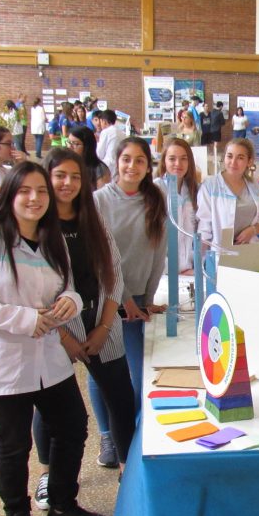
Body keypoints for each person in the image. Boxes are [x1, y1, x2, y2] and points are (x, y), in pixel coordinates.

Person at [0, 161, 108, 516]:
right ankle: (17, 513)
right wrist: (23, 320)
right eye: (25, 191)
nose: (35, 199)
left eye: (41, 192)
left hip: (45, 356)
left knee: (71, 425)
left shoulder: (52, 239)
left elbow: (67, 287)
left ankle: (63, 504)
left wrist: (69, 302)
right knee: (13, 441)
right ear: (10, 194)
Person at [31, 148, 135, 497]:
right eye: (60, 175)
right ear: (48, 177)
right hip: (54, 329)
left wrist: (105, 326)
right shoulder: (38, 227)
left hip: (101, 319)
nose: (68, 183)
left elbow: (113, 272)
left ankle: (127, 470)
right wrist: (64, 337)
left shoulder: (92, 219)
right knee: (49, 408)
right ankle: (48, 475)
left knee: (121, 399)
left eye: (75, 177)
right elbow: (33, 290)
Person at [94, 137, 168, 412]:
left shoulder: (155, 199)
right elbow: (100, 257)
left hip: (137, 299)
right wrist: (124, 300)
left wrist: (146, 298)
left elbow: (158, 252)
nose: (132, 166)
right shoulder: (99, 201)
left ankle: (135, 431)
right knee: (104, 370)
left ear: (149, 166)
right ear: (116, 162)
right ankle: (106, 436)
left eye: (140, 160)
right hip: (107, 299)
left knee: (139, 374)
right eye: (126, 159)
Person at [197, 138, 259, 249]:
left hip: (250, 251)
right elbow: (204, 228)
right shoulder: (210, 186)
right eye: (229, 156)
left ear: (249, 161)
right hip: (220, 254)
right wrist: (200, 261)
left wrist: (252, 230)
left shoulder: (253, 185)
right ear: (224, 158)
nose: (233, 162)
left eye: (240, 158)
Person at [154, 138, 198, 275]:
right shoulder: (156, 190)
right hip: (164, 272)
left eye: (183, 159)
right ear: (164, 161)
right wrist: (173, 270)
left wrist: (194, 266)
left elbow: (193, 235)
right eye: (172, 159)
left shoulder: (192, 190)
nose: (178, 164)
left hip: (189, 270)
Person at [95, 110, 124, 181]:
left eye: (101, 121)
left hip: (108, 165)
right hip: (119, 164)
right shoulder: (121, 133)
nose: (100, 124)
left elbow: (99, 153)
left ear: (104, 121)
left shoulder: (105, 132)